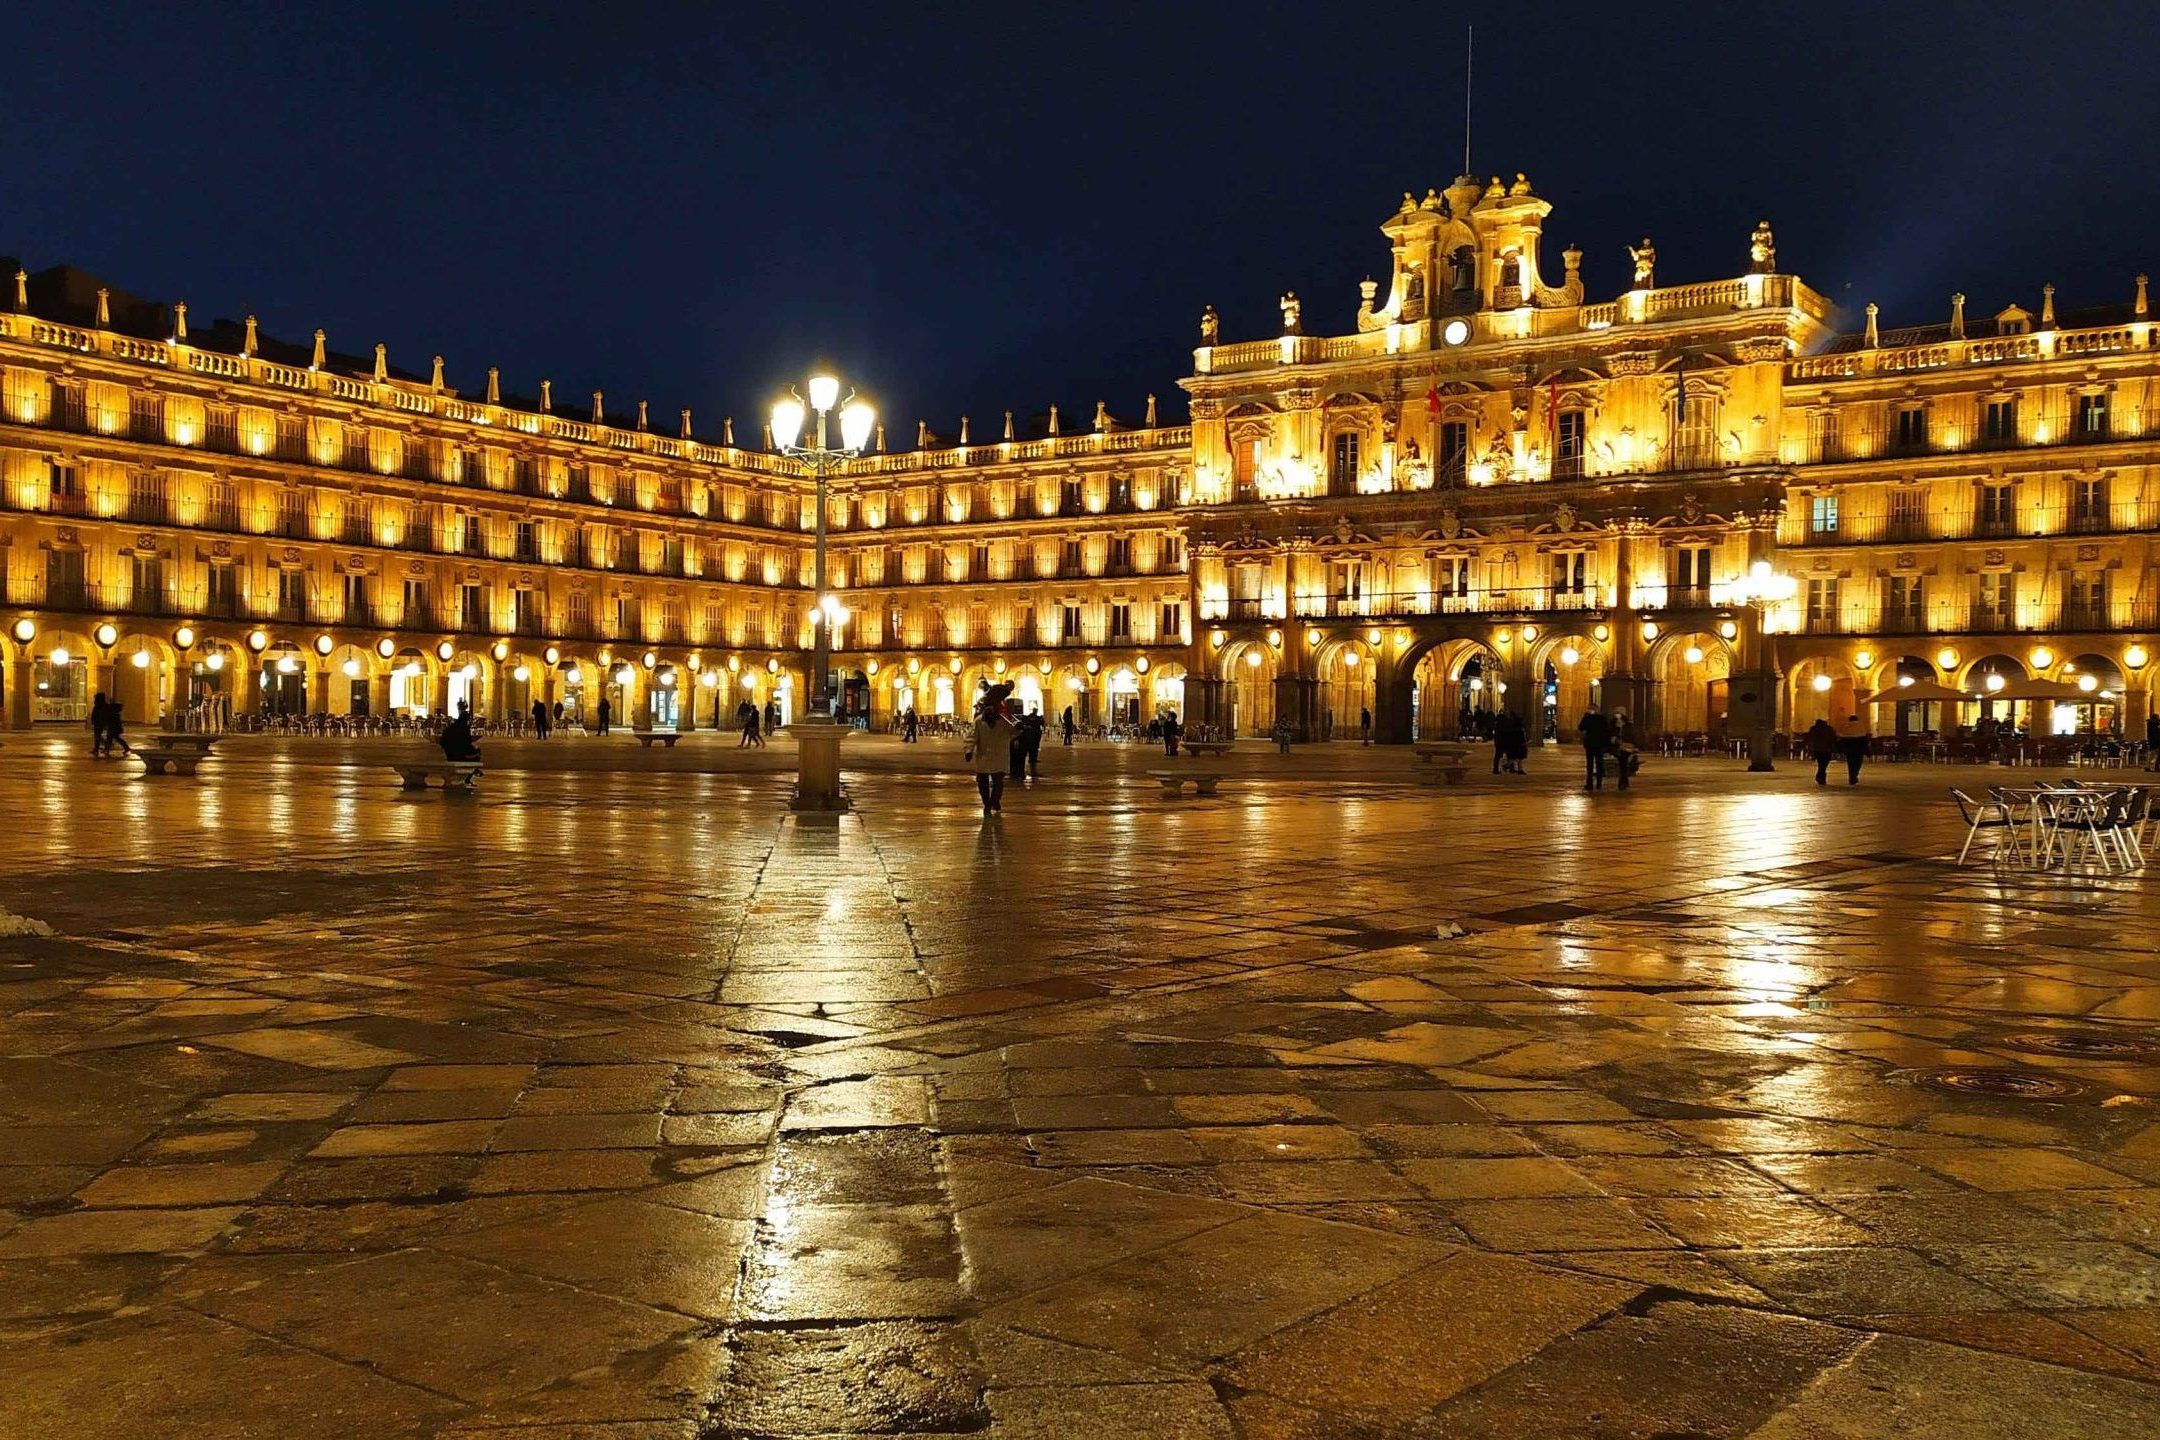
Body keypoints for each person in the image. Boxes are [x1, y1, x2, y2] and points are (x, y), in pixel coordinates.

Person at [966, 682, 1017, 814]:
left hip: (999, 755)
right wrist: (968, 750)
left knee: (998, 782)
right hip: (985, 756)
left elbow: (1015, 731)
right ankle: (987, 803)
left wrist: (1020, 729)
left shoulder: (1004, 721)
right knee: (983, 782)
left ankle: (994, 800)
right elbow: (972, 736)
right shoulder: (979, 722)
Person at [1835, 705, 1870, 786]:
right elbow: (1864, 739)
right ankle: (1855, 775)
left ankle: (1852, 776)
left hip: (1849, 749)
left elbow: (1842, 737)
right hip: (1859, 749)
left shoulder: (1847, 727)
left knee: (1850, 763)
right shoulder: (1861, 727)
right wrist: (1867, 750)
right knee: (1858, 763)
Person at [1579, 708, 1609, 790]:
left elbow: (1581, 727)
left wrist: (1585, 717)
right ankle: (1599, 783)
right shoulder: (1603, 719)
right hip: (1600, 744)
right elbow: (1607, 731)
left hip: (1590, 744)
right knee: (1599, 764)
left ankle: (1589, 783)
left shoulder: (1588, 718)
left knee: (1590, 764)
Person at [1610, 712, 1640, 791]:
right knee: (1623, 766)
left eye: (1620, 720)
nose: (1618, 722)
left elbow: (1633, 737)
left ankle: (1622, 784)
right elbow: (1611, 736)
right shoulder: (1615, 728)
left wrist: (1635, 747)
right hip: (1619, 749)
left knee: (1623, 765)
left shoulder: (1628, 727)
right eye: (1617, 721)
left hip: (1627, 748)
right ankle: (1625, 782)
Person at [1806, 717, 1838, 786]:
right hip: (1827, 749)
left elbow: (1809, 738)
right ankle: (1821, 776)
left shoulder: (1814, 729)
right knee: (1824, 764)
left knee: (1820, 763)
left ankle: (1820, 776)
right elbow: (1833, 738)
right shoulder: (1829, 729)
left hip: (1817, 749)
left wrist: (1810, 748)